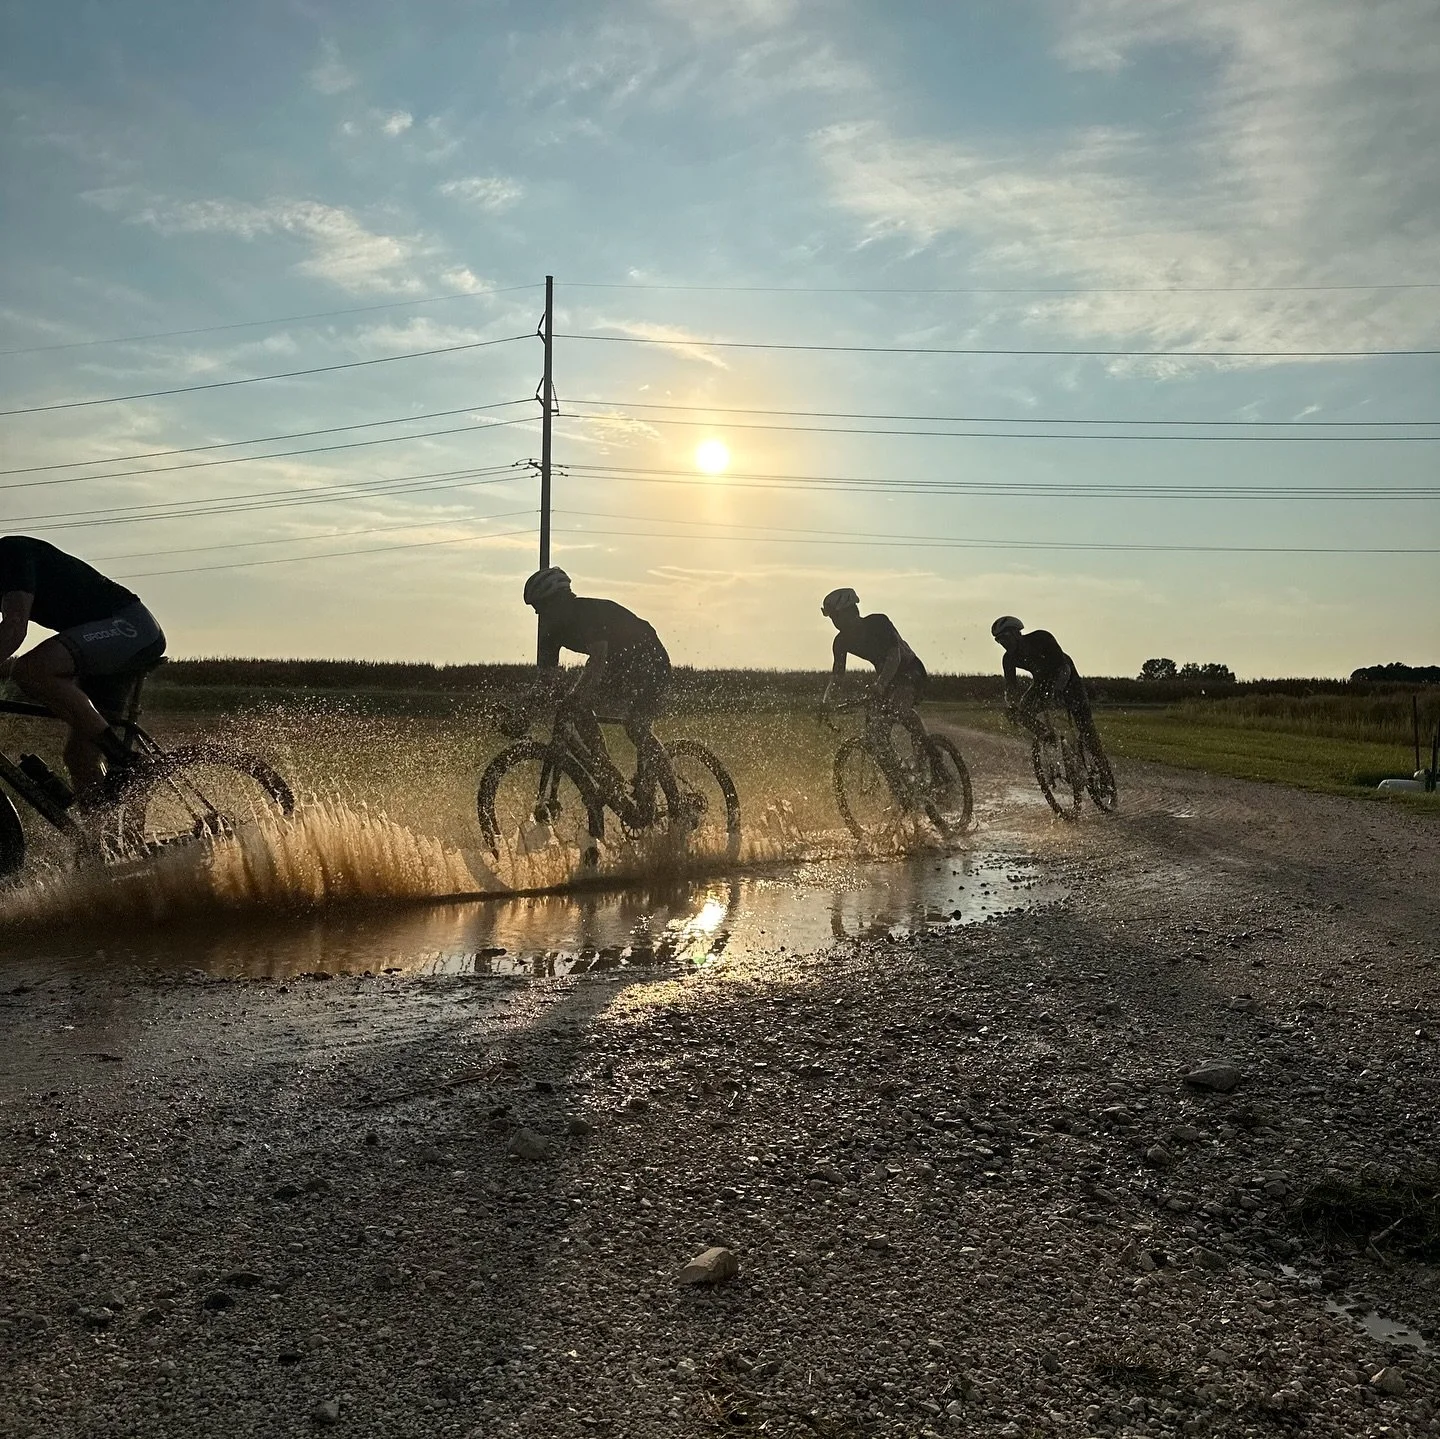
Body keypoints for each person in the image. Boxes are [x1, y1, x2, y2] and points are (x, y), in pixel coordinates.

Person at [0, 536, 166, 805]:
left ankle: (126, 759)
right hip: (104, 647)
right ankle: (105, 841)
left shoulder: (11, 553)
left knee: (32, 669)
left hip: (130, 627)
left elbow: (13, 630)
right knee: (80, 759)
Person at [519, 567, 673, 813]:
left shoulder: (585, 613)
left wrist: (575, 697)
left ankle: (677, 805)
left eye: (541, 606)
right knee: (578, 708)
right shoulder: (550, 630)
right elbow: (545, 681)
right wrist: (522, 711)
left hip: (650, 659)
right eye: (535, 609)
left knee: (636, 727)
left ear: (559, 600)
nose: (538, 613)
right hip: (620, 666)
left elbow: (598, 659)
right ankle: (606, 770)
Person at [820, 587, 932, 764]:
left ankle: (932, 755)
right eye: (832, 618)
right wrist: (826, 702)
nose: (835, 622)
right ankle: (898, 777)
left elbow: (894, 656)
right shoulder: (841, 642)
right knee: (877, 733)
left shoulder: (879, 622)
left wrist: (880, 684)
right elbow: (837, 678)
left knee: (900, 710)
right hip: (887, 679)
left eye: (836, 616)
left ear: (850, 611)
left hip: (910, 671)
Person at [990, 615, 1095, 739]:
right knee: (1022, 714)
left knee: (1086, 728)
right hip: (1041, 681)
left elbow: (1063, 668)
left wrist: (1057, 690)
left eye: (1006, 638)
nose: (1004, 644)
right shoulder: (1008, 659)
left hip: (1066, 675)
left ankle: (1097, 754)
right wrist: (1012, 706)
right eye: (999, 640)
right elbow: (1011, 687)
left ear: (1017, 634)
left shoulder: (1041, 638)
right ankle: (1047, 737)